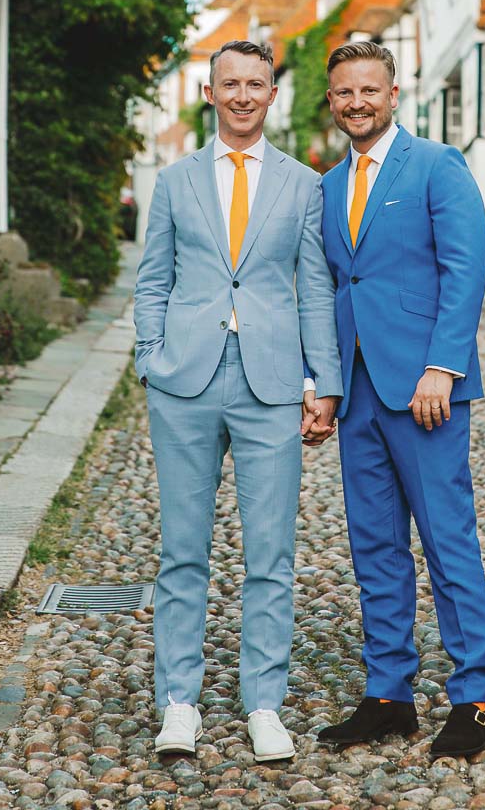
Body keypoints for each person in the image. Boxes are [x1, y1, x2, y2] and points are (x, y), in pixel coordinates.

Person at [134, 39, 342, 761]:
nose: (244, 95)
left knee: (271, 554)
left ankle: (264, 705)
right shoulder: (175, 181)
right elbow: (153, 279)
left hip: (271, 384)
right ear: (211, 93)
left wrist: (324, 382)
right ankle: (178, 702)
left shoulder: (303, 185)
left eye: (257, 84)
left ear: (272, 94)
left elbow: (314, 289)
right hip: (184, 381)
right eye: (231, 84)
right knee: (182, 550)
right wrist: (149, 360)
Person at [310, 40, 485, 758]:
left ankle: (474, 699)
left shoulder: (437, 166)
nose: (356, 102)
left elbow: (465, 268)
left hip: (426, 390)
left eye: (369, 90)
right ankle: (389, 695)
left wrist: (442, 367)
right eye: (344, 92)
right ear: (332, 101)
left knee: (447, 539)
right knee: (375, 546)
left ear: (393, 94)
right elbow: (336, 287)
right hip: (358, 391)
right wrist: (323, 385)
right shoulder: (330, 185)